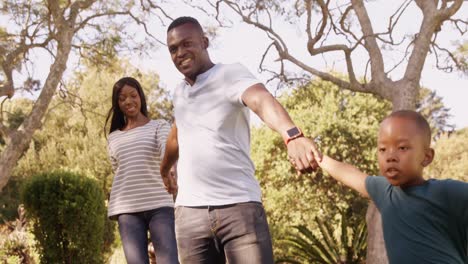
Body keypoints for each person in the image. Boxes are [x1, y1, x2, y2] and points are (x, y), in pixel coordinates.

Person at [160, 17, 322, 263]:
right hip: (190, 216)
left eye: (187, 44)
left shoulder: (229, 73)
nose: (180, 53)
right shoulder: (180, 92)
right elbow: (177, 133)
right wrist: (164, 169)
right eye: (173, 49)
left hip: (238, 210)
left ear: (204, 42)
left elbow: (261, 100)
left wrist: (292, 135)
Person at [317, 110, 468, 264]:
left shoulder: (447, 192)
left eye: (402, 148)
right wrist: (317, 157)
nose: (390, 156)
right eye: (382, 149)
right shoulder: (385, 192)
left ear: (427, 156)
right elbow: (350, 174)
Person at [105, 77, 178, 264]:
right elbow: (119, 170)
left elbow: (166, 149)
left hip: (159, 204)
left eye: (133, 95)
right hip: (127, 210)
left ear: (141, 97)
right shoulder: (113, 138)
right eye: (122, 99)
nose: (128, 101)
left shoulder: (159, 126)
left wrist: (170, 171)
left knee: (168, 260)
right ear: (118, 104)